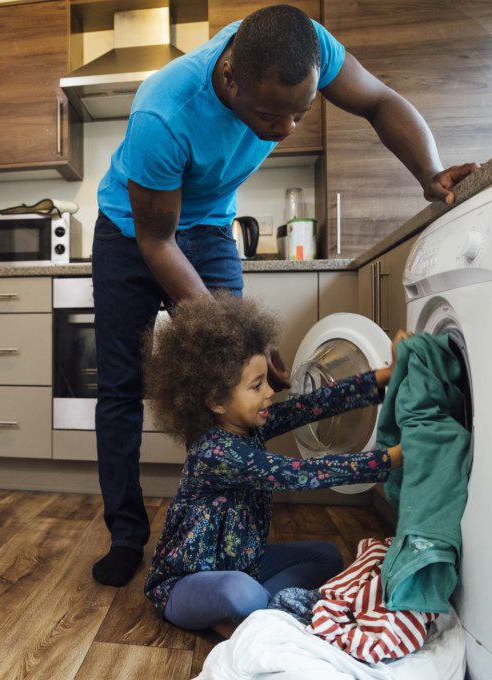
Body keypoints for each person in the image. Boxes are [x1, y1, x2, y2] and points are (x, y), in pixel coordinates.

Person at [90, 3, 476, 588]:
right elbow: (157, 239)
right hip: (134, 232)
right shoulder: (163, 113)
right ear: (229, 80)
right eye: (270, 114)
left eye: (301, 111)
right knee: (122, 386)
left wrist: (431, 173)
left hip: (211, 227)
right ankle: (126, 535)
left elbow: (379, 101)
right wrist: (239, 335)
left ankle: (220, 530)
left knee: (239, 386)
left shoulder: (307, 47)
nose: (285, 129)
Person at [142, 293, 405, 636]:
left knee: (326, 556)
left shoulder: (250, 424)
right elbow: (299, 475)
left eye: (265, 380)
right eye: (256, 386)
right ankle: (262, 614)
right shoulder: (214, 451)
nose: (269, 392)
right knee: (239, 592)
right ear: (216, 401)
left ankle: (256, 617)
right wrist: (392, 459)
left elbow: (311, 405)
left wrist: (385, 376)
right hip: (184, 584)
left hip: (246, 565)